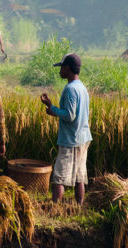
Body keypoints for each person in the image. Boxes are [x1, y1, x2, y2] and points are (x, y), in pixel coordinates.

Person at [39, 53, 92, 204]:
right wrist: (52, 107)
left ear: (67, 68)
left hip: (71, 139)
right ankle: (80, 206)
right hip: (83, 137)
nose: (60, 71)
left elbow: (69, 115)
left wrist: (53, 110)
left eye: (61, 67)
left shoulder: (70, 89)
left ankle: (55, 208)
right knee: (79, 176)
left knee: (59, 176)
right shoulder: (82, 87)